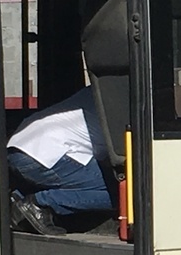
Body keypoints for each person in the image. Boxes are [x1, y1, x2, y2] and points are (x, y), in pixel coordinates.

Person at [7, 86, 112, 236]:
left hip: (18, 147)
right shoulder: (123, 101)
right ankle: (40, 204)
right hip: (48, 153)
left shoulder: (101, 87)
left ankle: (21, 197)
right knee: (122, 191)